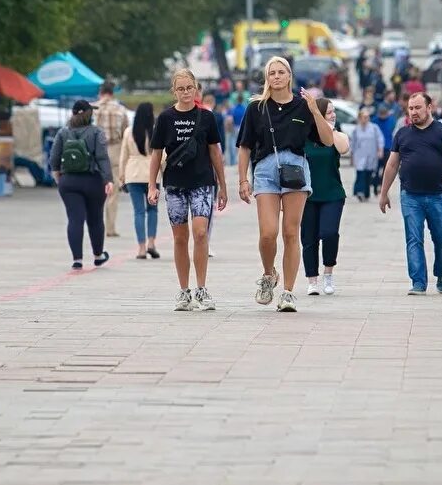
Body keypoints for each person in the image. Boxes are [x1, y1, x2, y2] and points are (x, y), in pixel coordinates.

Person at [236, 57, 334, 313]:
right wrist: (243, 179)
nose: (276, 76)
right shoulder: (257, 108)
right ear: (267, 78)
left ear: (290, 76)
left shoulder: (303, 106)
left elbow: (326, 139)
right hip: (266, 169)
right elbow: (244, 146)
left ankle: (288, 292)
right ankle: (269, 274)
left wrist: (315, 110)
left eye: (281, 72)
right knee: (268, 233)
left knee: (291, 232)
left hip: (296, 169)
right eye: (271, 73)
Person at [148, 71, 227, 311]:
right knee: (180, 237)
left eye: (189, 88)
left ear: (196, 89)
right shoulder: (165, 119)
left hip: (202, 182)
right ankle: (184, 291)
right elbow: (156, 153)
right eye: (181, 89)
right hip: (175, 184)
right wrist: (152, 185)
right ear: (174, 91)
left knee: (201, 233)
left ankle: (201, 288)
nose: (185, 92)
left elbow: (215, 151)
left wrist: (223, 185)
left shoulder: (206, 117)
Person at [379, 92, 442, 295]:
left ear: (429, 107)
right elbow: (391, 165)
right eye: (410, 108)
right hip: (410, 196)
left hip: (438, 195)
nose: (414, 112)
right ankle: (418, 282)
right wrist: (384, 193)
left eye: (418, 108)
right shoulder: (402, 134)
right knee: (414, 239)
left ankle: (441, 273)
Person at [50, 100, 114, 270]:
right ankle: (98, 255)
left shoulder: (63, 132)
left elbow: (53, 158)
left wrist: (59, 176)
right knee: (95, 219)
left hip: (69, 181)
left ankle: (77, 259)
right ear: (89, 113)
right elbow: (102, 158)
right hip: (93, 180)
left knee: (74, 219)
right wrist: (108, 179)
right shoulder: (96, 132)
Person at [303, 98, 350, 295]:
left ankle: (328, 273)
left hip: (332, 193)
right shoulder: (304, 138)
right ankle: (312, 280)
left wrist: (328, 128)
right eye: (329, 112)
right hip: (307, 195)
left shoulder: (338, 135)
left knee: (329, 233)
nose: (333, 115)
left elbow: (343, 149)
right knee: (309, 238)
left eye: (333, 112)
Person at [119, 103, 160, 260]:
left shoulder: (129, 132)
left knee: (138, 212)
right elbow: (162, 155)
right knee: (152, 210)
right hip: (152, 175)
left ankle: (141, 249)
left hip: (133, 174)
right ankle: (151, 243)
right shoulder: (156, 131)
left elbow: (123, 156)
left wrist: (122, 176)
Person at [94, 82, 128, 238]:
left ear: (100, 93)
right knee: (113, 191)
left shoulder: (92, 108)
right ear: (112, 93)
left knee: (96, 189)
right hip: (115, 150)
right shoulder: (120, 110)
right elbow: (126, 132)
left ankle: (95, 225)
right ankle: (110, 228)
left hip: (95, 150)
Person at [349, 108, 384, 202]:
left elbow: (380, 139)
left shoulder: (374, 127)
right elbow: (353, 143)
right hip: (359, 154)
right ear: (360, 118)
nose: (366, 119)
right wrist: (351, 156)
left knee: (368, 174)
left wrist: (380, 150)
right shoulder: (356, 129)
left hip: (371, 154)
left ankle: (367, 193)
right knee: (360, 173)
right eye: (364, 117)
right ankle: (359, 192)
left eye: (367, 117)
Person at [372, 102, 398, 195]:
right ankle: (375, 188)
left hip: (388, 148)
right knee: (375, 170)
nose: (383, 116)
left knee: (386, 170)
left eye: (384, 114)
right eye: (381, 114)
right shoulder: (374, 120)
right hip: (377, 149)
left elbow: (394, 133)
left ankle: (384, 189)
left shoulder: (392, 120)